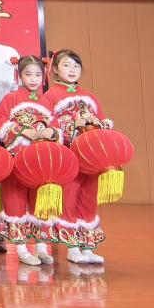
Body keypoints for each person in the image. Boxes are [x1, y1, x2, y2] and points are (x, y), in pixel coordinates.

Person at [43, 49, 113, 265]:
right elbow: (49, 125)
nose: (72, 70)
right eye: (66, 65)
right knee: (69, 199)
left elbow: (103, 121)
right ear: (55, 69)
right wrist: (72, 124)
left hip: (90, 159)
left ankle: (88, 247)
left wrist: (98, 123)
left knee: (89, 199)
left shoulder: (90, 96)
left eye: (76, 66)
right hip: (68, 157)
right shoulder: (50, 95)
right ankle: (72, 248)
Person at [0, 55, 59, 266]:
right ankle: (21, 249)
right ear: (19, 75)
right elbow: (0, 122)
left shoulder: (46, 100)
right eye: (28, 74)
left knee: (40, 203)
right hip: (18, 157)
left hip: (41, 160)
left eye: (38, 75)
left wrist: (51, 131)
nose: (33, 79)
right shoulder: (11, 98)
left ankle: (41, 247)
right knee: (16, 201)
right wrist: (22, 130)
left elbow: (57, 125)